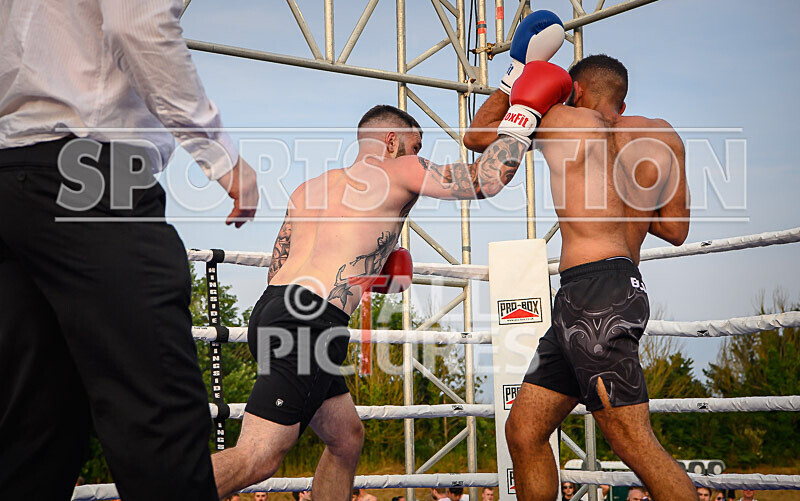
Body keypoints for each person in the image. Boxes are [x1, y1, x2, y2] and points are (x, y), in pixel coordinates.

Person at [211, 54, 570, 496]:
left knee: (345, 439)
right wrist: (523, 114)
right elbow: (486, 179)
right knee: (259, 457)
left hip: (273, 308)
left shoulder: (311, 186)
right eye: (416, 147)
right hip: (310, 322)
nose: (419, 157)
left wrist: (368, 273)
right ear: (391, 139)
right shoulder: (399, 167)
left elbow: (278, 260)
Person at [0, 0, 259, 499]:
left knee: (36, 428)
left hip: (14, 179)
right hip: (91, 175)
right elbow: (137, 21)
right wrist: (220, 152)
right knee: (158, 415)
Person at [464, 51, 692, 501]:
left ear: (576, 91)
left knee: (633, 442)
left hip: (592, 296)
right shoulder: (662, 135)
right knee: (525, 431)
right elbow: (676, 230)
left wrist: (516, 75)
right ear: (621, 100)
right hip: (617, 288)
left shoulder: (564, 121)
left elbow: (478, 138)